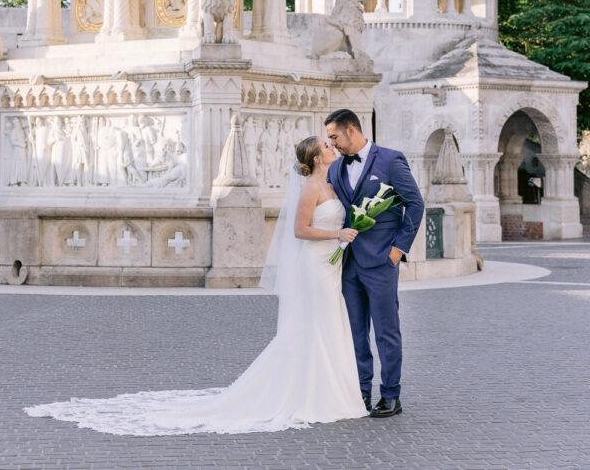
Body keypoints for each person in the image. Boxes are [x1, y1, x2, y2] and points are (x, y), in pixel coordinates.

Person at [25, 137, 369, 436]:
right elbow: (300, 231)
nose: (332, 146)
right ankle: (309, 395)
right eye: (326, 145)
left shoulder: (332, 183)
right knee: (312, 326)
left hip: (331, 265)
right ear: (315, 158)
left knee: (327, 324)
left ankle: (327, 392)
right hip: (315, 265)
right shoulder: (310, 188)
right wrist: (336, 234)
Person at [325, 108, 424, 419]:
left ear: (351, 130)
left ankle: (391, 395)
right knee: (355, 332)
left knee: (386, 331)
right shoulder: (335, 169)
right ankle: (361, 392)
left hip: (381, 260)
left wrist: (398, 250)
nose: (332, 144)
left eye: (334, 137)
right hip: (349, 263)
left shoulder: (390, 159)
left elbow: (415, 203)